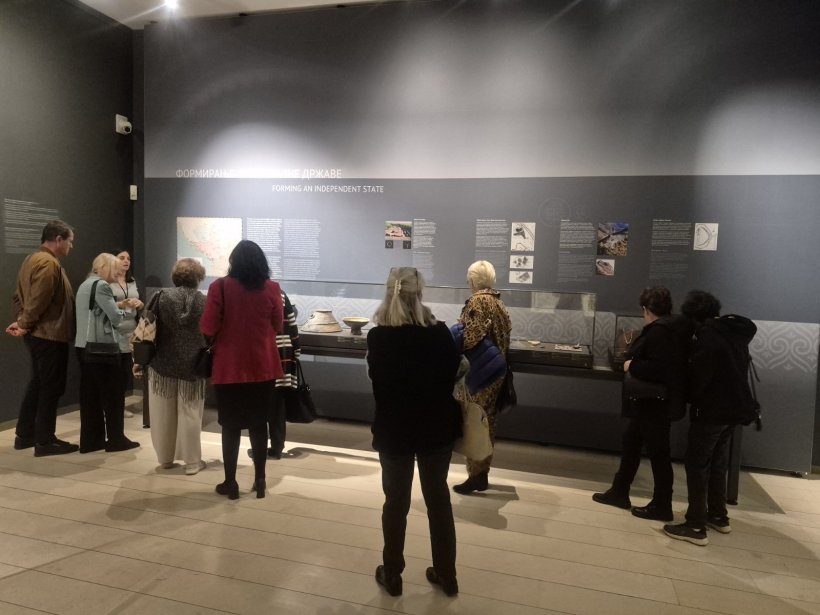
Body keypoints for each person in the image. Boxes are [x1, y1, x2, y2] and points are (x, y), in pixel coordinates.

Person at [367, 267, 462, 597]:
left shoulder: (378, 337)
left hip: (395, 430)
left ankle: (392, 573)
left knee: (396, 502)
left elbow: (378, 385)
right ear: (420, 293)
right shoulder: (439, 333)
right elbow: (451, 376)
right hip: (436, 428)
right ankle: (447, 574)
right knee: (438, 501)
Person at [664, 290, 758, 546]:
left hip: (711, 411)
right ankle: (718, 515)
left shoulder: (708, 336)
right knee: (717, 463)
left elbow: (700, 377)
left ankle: (695, 524)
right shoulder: (732, 333)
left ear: (693, 315)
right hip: (734, 411)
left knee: (697, 464)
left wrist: (686, 390)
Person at [592, 287, 689, 521]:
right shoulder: (674, 328)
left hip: (653, 403)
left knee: (658, 453)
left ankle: (662, 505)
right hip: (654, 402)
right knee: (632, 443)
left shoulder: (660, 331)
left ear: (646, 309)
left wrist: (631, 365)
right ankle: (620, 491)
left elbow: (658, 369)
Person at [200, 240, 284, 500]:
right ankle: (260, 480)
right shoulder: (272, 288)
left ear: (233, 262)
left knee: (231, 426)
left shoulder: (220, 287)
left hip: (230, 366)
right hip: (263, 366)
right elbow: (278, 325)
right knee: (259, 424)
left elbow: (208, 326)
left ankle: (231, 483)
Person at [6, 220, 79, 456]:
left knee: (38, 384)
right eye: (69, 241)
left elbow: (18, 297)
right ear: (58, 239)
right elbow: (39, 299)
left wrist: (22, 321)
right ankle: (45, 441)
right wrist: (24, 324)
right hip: (50, 335)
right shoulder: (48, 263)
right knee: (50, 388)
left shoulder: (31, 259)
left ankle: (25, 434)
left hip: (40, 334)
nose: (71, 246)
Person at [134, 258, 208, 475]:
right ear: (198, 277)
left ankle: (165, 459)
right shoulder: (204, 301)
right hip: (193, 365)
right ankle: (192, 462)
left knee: (162, 413)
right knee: (191, 413)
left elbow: (145, 329)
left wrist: (138, 361)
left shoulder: (161, 296)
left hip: (162, 364)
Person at [451, 260, 512, 495]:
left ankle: (476, 475)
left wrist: (454, 337)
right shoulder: (499, 302)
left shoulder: (477, 301)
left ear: (473, 280)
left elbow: (471, 335)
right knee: (488, 421)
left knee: (475, 421)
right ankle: (482, 473)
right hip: (496, 370)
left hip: (479, 371)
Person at [75, 253, 141, 453]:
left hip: (83, 345)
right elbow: (115, 318)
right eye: (115, 270)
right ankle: (116, 439)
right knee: (113, 395)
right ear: (105, 268)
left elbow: (96, 310)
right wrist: (127, 310)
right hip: (101, 347)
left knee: (90, 396)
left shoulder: (86, 284)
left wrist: (117, 305)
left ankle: (91, 441)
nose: (117, 274)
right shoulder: (102, 286)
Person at [248, 290, 300, 460]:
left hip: (260, 353)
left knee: (259, 405)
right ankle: (277, 448)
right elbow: (292, 324)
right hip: (283, 354)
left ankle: (259, 448)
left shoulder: (249, 293)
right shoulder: (280, 293)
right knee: (278, 405)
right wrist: (296, 350)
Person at [110, 249, 144, 418]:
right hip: (114, 329)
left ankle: (119, 406)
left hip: (131, 329)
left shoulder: (132, 281)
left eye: (128, 258)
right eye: (122, 258)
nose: (126, 261)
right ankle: (111, 407)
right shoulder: (107, 281)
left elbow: (139, 304)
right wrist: (121, 304)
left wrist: (140, 303)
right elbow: (104, 304)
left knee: (125, 370)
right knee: (114, 371)